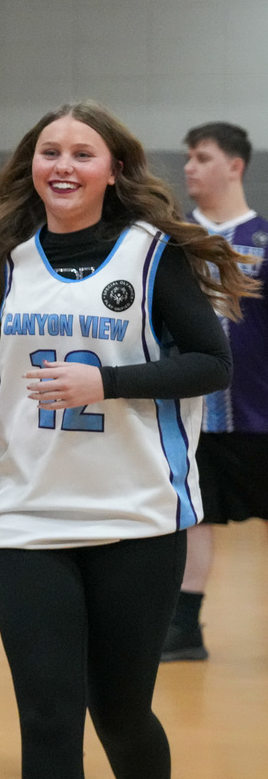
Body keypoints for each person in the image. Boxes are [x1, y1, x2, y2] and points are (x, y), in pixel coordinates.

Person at [0, 101, 256, 779]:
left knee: (119, 712)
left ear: (112, 169)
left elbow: (210, 364)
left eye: (81, 153)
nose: (63, 165)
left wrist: (110, 383)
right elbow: (7, 343)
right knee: (49, 719)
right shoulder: (11, 249)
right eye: (50, 151)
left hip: (135, 515)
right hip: (28, 514)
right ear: (32, 165)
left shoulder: (151, 253)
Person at [161, 122, 268, 661]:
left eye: (202, 157)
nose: (189, 167)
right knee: (195, 516)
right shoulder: (172, 240)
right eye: (188, 157)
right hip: (196, 414)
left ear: (235, 166)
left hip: (260, 415)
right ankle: (184, 629)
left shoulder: (265, 238)